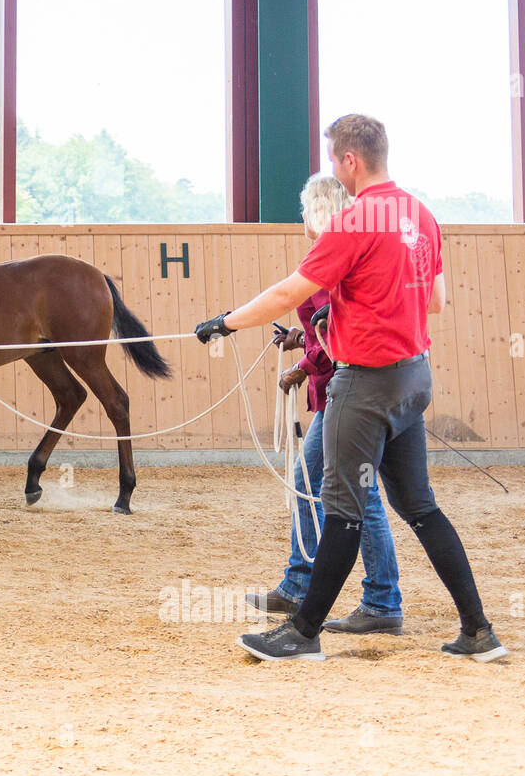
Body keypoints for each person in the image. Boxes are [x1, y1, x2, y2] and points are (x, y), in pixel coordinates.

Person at [195, 113, 506, 662]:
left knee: (341, 508)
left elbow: (289, 290)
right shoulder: (422, 215)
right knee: (419, 507)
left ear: (349, 161)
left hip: (365, 386)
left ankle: (303, 631)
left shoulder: (354, 221)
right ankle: (478, 632)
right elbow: (434, 303)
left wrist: (225, 321)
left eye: (335, 160)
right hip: (414, 378)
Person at [248, 174, 404, 634]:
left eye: (305, 209)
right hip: (355, 386)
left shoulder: (333, 257)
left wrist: (305, 362)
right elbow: (327, 328)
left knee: (360, 491)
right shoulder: (353, 248)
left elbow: (338, 335)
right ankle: (304, 582)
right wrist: (305, 343)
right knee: (325, 482)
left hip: (351, 389)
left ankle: (380, 600)